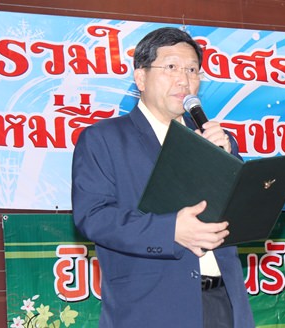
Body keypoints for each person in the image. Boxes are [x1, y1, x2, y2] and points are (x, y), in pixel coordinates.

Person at [72, 27, 255, 328]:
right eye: (171, 67)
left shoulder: (218, 140)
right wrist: (169, 230)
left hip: (222, 304)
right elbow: (94, 217)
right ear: (140, 78)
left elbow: (242, 215)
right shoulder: (103, 139)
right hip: (150, 310)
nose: (184, 79)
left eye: (192, 70)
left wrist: (227, 162)